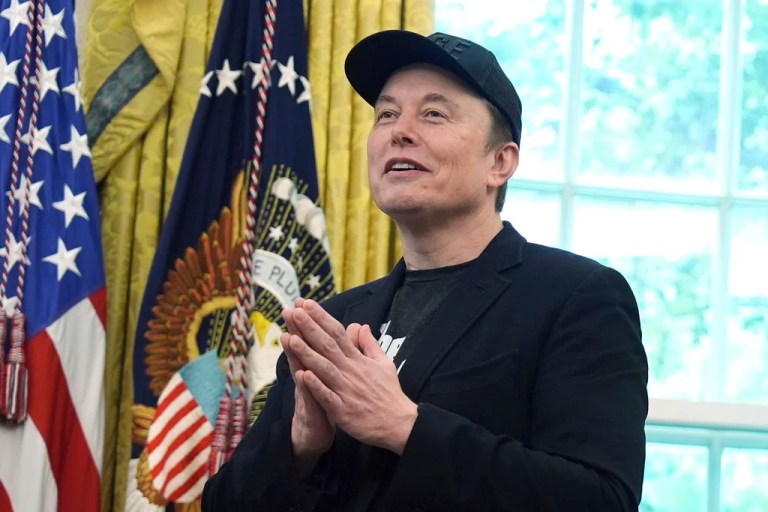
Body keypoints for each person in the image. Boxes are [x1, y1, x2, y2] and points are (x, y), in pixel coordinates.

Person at [202, 30, 648, 511]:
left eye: (433, 113)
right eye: (386, 114)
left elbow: (601, 499)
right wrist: (300, 447)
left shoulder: (576, 298)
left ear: (500, 162)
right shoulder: (333, 321)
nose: (400, 131)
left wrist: (405, 426)